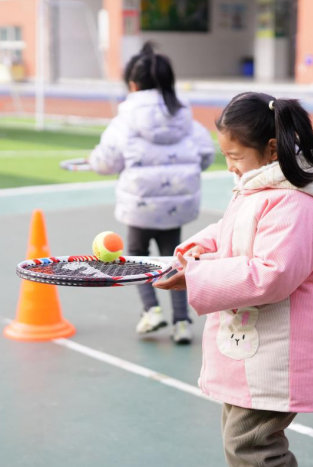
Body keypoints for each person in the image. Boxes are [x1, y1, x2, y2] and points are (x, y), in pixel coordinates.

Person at [154, 92, 313, 467]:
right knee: (244, 442)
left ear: (271, 149)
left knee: (250, 447)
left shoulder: (297, 204)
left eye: (235, 156)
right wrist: (199, 250)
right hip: (257, 345)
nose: (230, 166)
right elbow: (233, 231)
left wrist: (197, 276)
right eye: (225, 155)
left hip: (282, 351)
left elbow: (272, 274)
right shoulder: (261, 187)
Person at [89, 42, 215, 344]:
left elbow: (106, 161)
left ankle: (151, 310)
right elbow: (205, 154)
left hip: (140, 206)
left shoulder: (124, 120)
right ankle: (182, 322)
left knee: (136, 257)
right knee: (176, 260)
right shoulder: (185, 117)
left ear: (132, 84)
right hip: (176, 207)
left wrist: (93, 161)